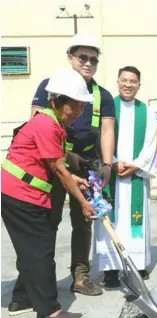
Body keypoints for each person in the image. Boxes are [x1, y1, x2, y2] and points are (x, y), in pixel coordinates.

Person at [2, 68, 97, 318]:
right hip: (20, 196)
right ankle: (50, 311)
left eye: (81, 106)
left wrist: (74, 176)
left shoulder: (52, 122)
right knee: (41, 251)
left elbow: (55, 162)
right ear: (56, 101)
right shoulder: (46, 124)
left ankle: (20, 300)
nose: (78, 111)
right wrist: (84, 203)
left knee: (31, 249)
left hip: (23, 193)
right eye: (74, 106)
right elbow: (59, 169)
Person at [31, 32, 116, 296]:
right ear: (71, 58)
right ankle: (40, 280)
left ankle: (80, 276)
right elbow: (36, 124)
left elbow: (107, 131)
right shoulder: (50, 86)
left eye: (93, 59)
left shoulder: (103, 95)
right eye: (82, 57)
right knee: (49, 222)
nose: (88, 63)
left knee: (83, 221)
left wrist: (106, 164)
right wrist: (67, 158)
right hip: (53, 165)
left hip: (86, 167)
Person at [93, 66, 157, 287]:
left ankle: (137, 263)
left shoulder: (147, 112)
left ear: (139, 84)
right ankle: (110, 268)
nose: (128, 84)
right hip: (110, 174)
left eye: (133, 81)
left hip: (136, 176)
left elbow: (151, 143)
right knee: (111, 218)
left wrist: (136, 165)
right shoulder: (107, 107)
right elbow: (101, 135)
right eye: (124, 80)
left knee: (134, 220)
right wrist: (113, 162)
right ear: (117, 82)